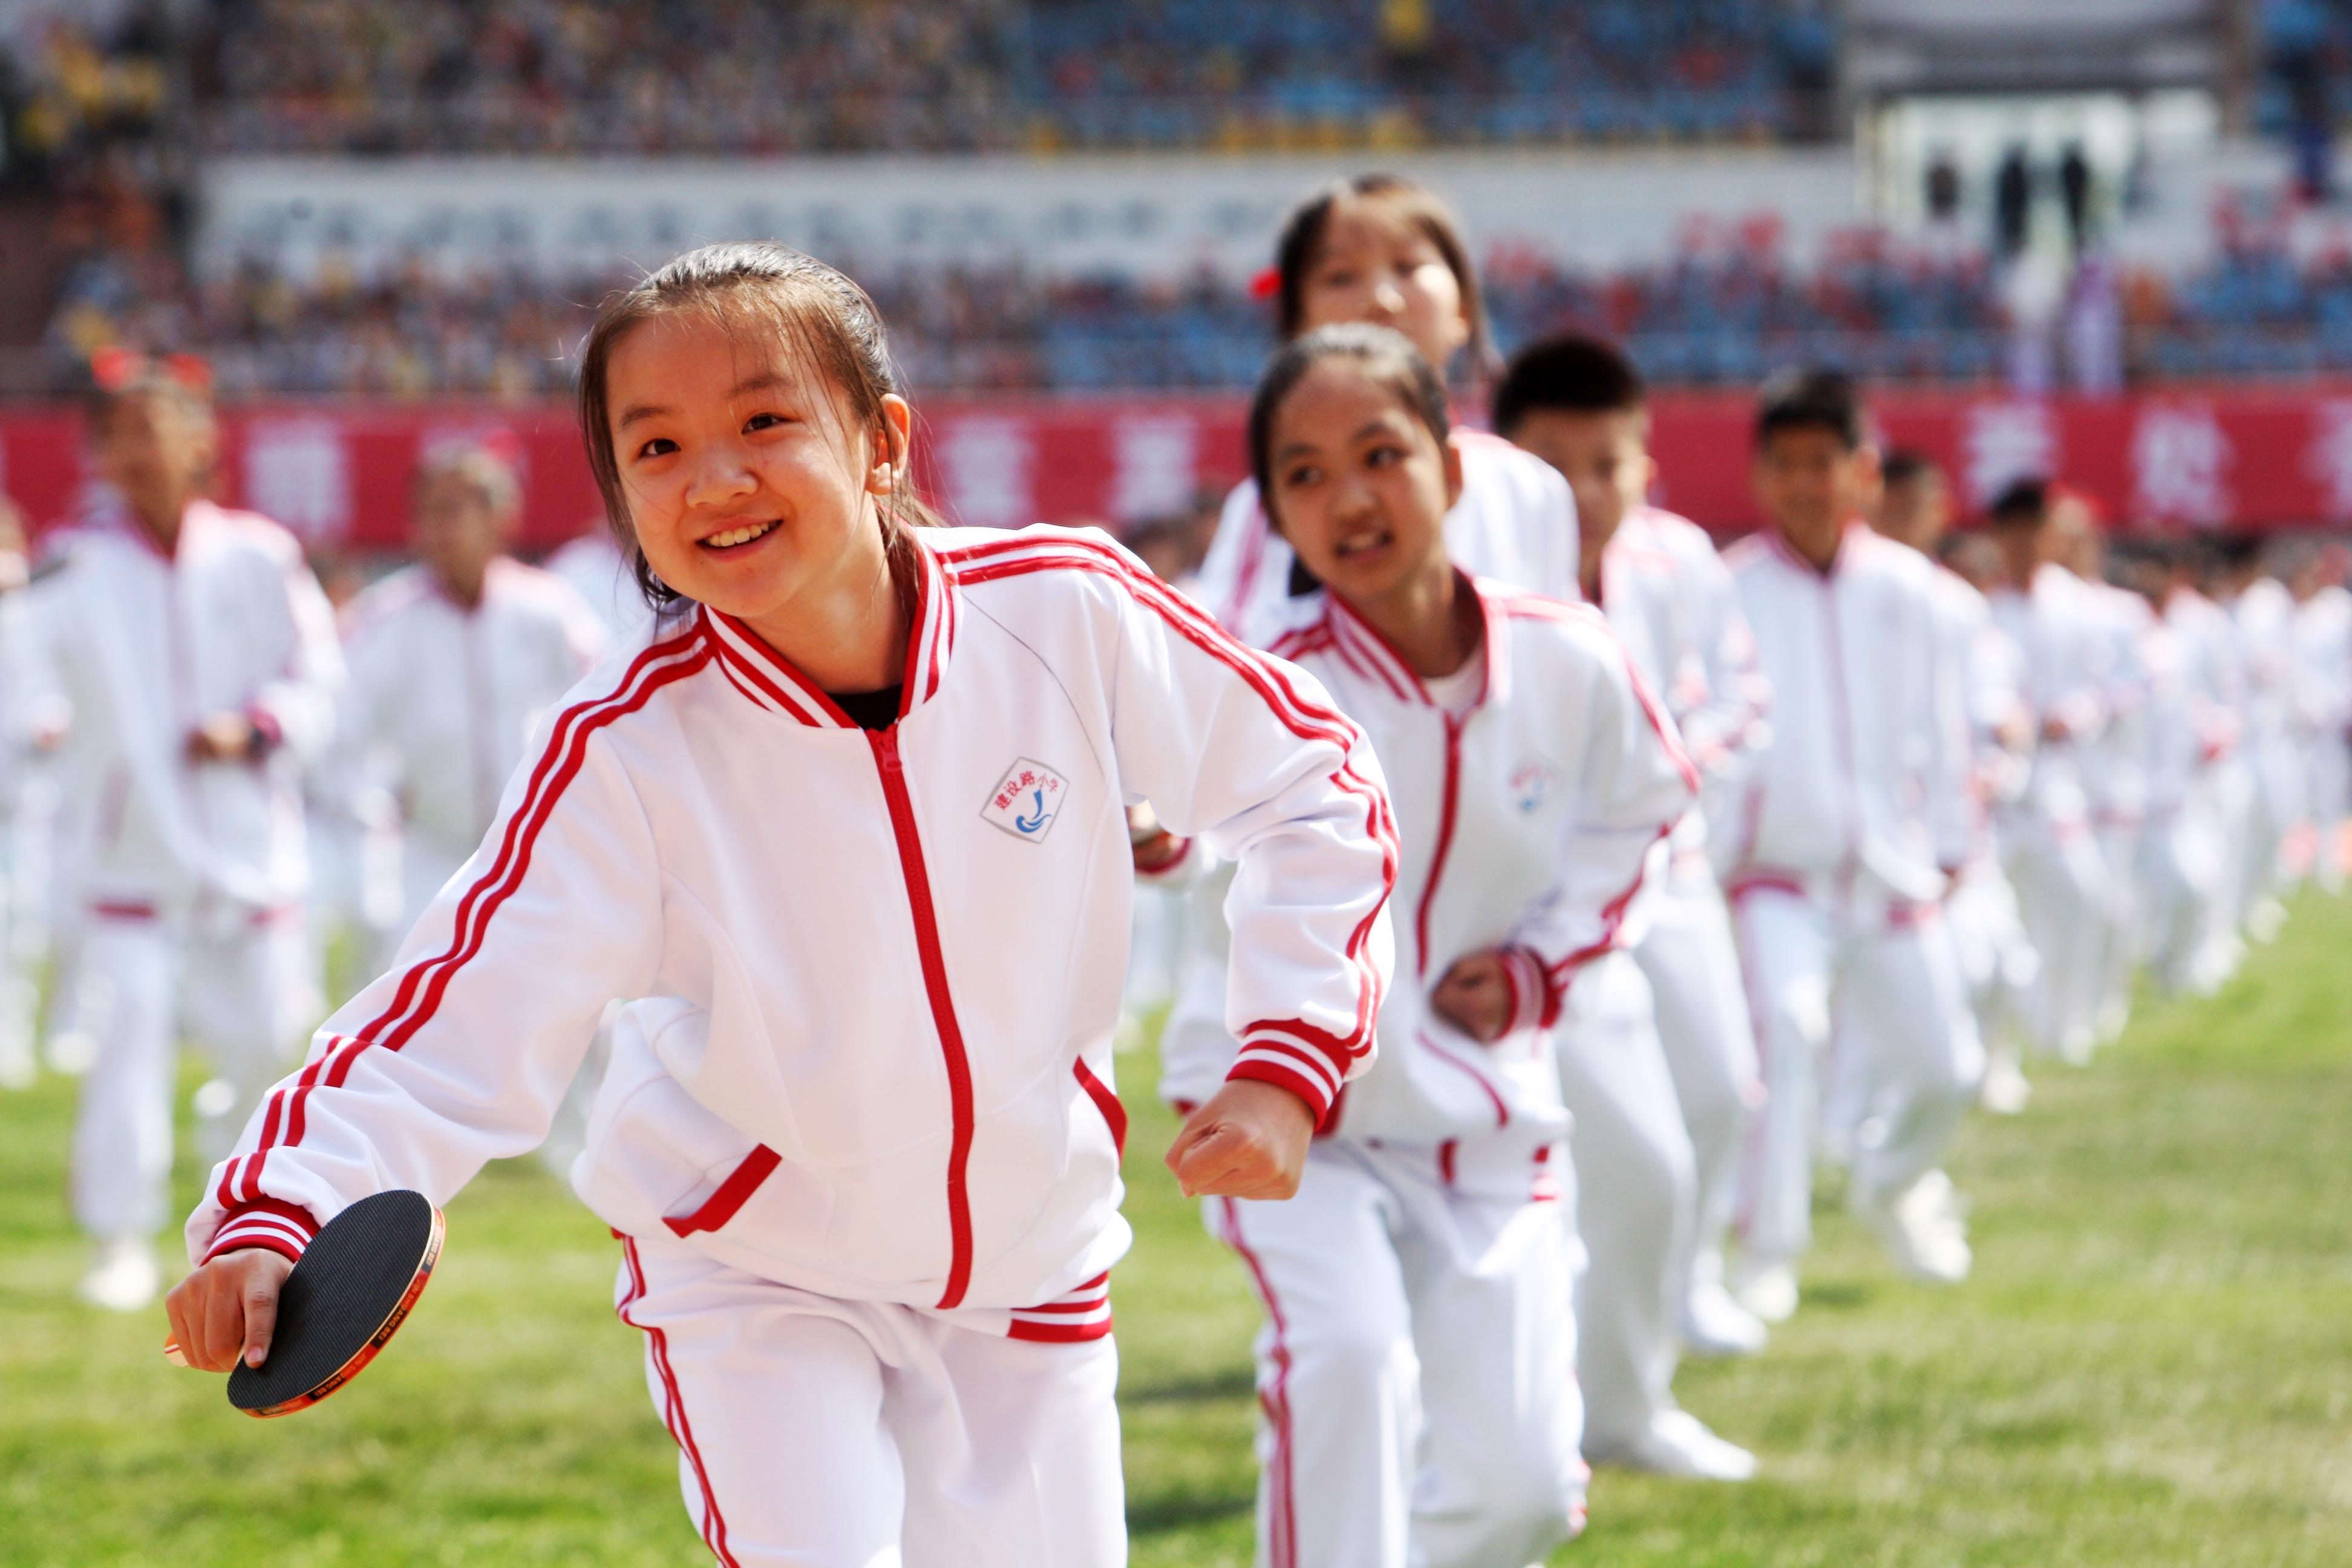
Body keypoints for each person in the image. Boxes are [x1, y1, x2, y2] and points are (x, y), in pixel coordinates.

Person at [167, 243, 1397, 1567]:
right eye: (656, 448)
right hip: (756, 1273)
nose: (715, 478)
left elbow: (1315, 777)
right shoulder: (624, 755)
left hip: (1034, 1266)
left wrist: (1289, 1059)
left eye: (765, 422)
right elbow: (449, 1018)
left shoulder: (1068, 611)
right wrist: (273, 1212)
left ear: (881, 442)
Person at [1157, 324, 1691, 1565]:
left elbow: (1643, 812)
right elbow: (1179, 830)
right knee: (1345, 1365)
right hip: (1294, 1122)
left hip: (1488, 1120)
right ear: (1276, 517)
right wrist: (1148, 832)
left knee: (1516, 1495)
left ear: (1452, 472)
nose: (1349, 498)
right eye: (1303, 474)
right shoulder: (1268, 688)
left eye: (1380, 454)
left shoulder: (1571, 657)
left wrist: (1539, 968)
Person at [1492, 331, 1768, 1478]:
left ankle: (1658, 1307)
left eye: (1608, 463)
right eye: (1554, 464)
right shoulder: (1475, 571)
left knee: (1719, 1096)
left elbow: (1735, 696)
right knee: (1619, 1155)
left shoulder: (1680, 561)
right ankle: (1612, 1402)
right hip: (1540, 909)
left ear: (1645, 464)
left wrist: (1668, 764)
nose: (1586, 491)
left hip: (1672, 873)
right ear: (1503, 463)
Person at [34, 352, 345, 1312]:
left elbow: (320, 680)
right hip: (131, 863)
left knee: (264, 1047)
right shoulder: (76, 567)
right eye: (115, 434)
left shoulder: (260, 553)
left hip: (251, 859)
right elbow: (25, 671)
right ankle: (120, 1239)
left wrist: (255, 727)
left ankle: (237, 1210)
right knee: (124, 1051)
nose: (131, 451)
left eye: (149, 429)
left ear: (198, 441)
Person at [1720, 370, 1984, 1318]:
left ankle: (1891, 1181)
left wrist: (1955, 839)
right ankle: (1767, 1249)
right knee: (1785, 1034)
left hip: (1894, 866)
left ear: (1863, 473)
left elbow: (1946, 729)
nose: (1803, 483)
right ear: (1759, 476)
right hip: (1776, 869)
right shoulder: (1731, 589)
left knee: (1950, 1066)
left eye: (1820, 464)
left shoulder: (1916, 592)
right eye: (1783, 466)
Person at [1188, 172, 1577, 648]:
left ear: (1464, 311)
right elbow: (1232, 663)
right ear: (1298, 325)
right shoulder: (1264, 507)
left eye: (1408, 266)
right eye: (1340, 277)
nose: (1381, 299)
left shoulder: (1529, 488)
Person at [337, 445, 609, 963]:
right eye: (428, 513)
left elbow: (600, 706)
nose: (439, 529)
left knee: (571, 997)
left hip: (536, 845)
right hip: (426, 850)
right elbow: (341, 727)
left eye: (455, 511)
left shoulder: (549, 608)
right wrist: (374, 806)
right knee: (412, 1004)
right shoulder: (386, 617)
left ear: (499, 518)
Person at [1873, 452, 2039, 1116]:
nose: (1907, 521)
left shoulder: (1957, 605)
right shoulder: (1844, 592)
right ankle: (1861, 1119)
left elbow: (1995, 699)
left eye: (1918, 507)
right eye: (1895, 506)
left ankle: (1993, 1059)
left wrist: (2004, 741)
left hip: (1956, 818)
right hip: (1876, 832)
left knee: (1999, 959)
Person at [1984, 480, 2118, 1065]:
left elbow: (2101, 688)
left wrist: (2075, 717)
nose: (2019, 545)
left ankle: (2066, 1024)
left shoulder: (2079, 607)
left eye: (2030, 531)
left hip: (2056, 790)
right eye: (2009, 533)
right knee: (1991, 932)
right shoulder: (1981, 608)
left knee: (2083, 901)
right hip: (1993, 803)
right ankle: (1997, 1054)